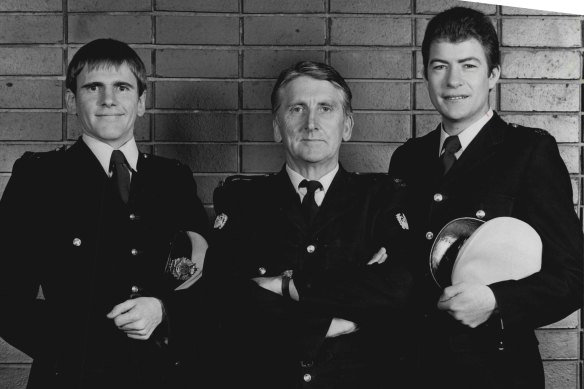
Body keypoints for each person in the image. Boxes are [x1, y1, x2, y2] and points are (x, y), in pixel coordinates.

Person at [389, 7, 583, 388]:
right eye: (440, 66)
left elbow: (573, 277)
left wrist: (496, 302)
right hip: (413, 368)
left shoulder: (529, 152)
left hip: (495, 372)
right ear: (425, 73)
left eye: (469, 65)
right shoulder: (407, 158)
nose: (453, 81)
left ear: (493, 74)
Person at [0, 38, 211, 389]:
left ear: (141, 102)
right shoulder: (38, 178)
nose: (108, 99)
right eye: (93, 87)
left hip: (163, 375)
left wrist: (164, 311)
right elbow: (5, 299)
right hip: (72, 376)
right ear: (71, 101)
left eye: (122, 87)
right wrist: (87, 348)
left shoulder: (173, 178)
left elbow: (205, 278)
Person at [204, 61, 413, 389]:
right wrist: (328, 322)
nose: (311, 123)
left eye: (326, 108)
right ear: (277, 127)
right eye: (297, 109)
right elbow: (223, 295)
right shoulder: (242, 200)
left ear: (347, 126)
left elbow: (400, 286)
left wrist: (286, 286)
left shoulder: (383, 199)